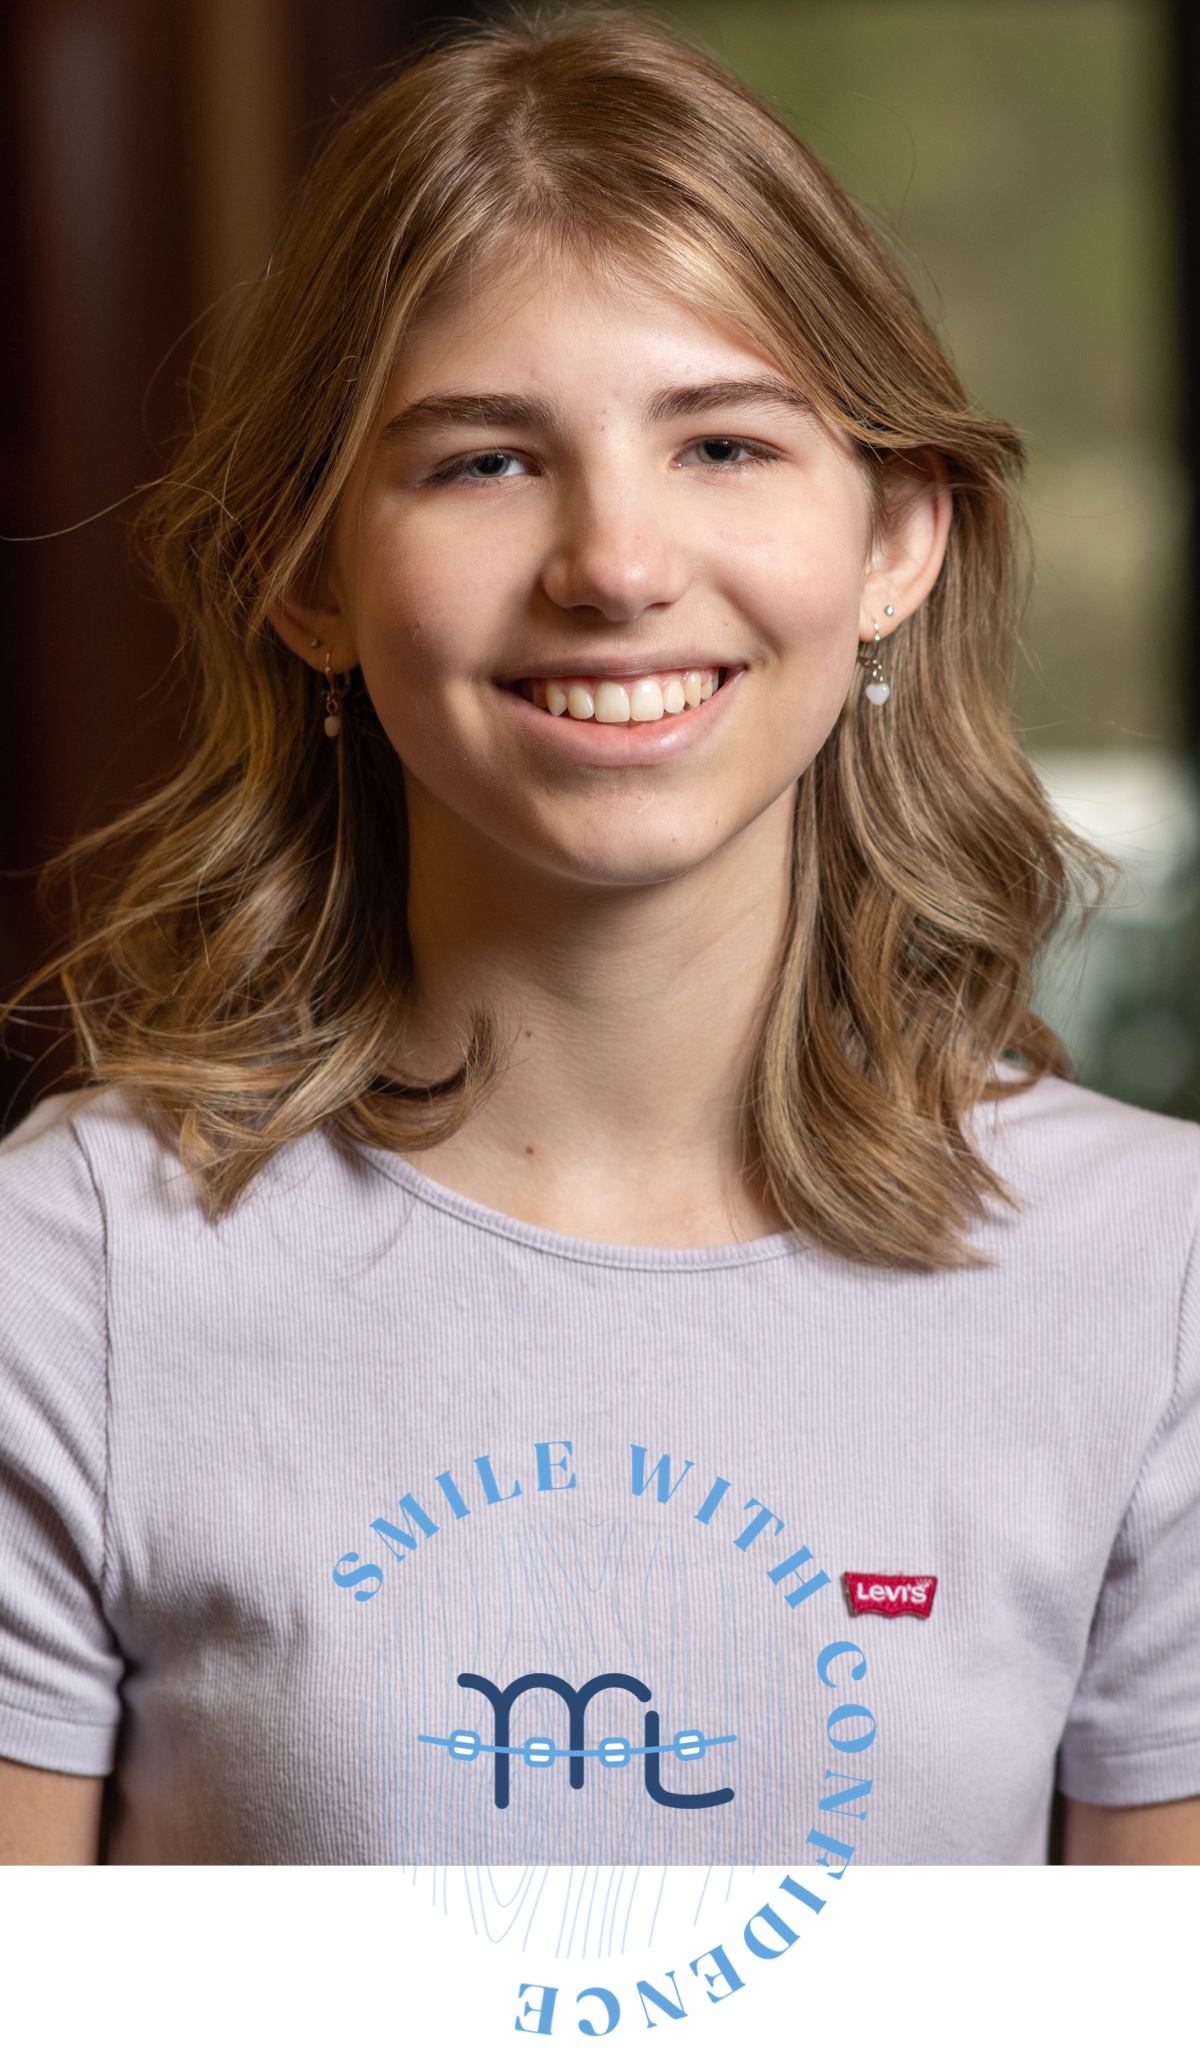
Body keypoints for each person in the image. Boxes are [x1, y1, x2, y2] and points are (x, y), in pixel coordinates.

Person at [1, 8, 1197, 1871]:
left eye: (724, 444)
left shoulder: (1158, 1280)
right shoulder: (73, 1266)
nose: (616, 565)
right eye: (483, 463)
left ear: (898, 539)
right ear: (305, 575)